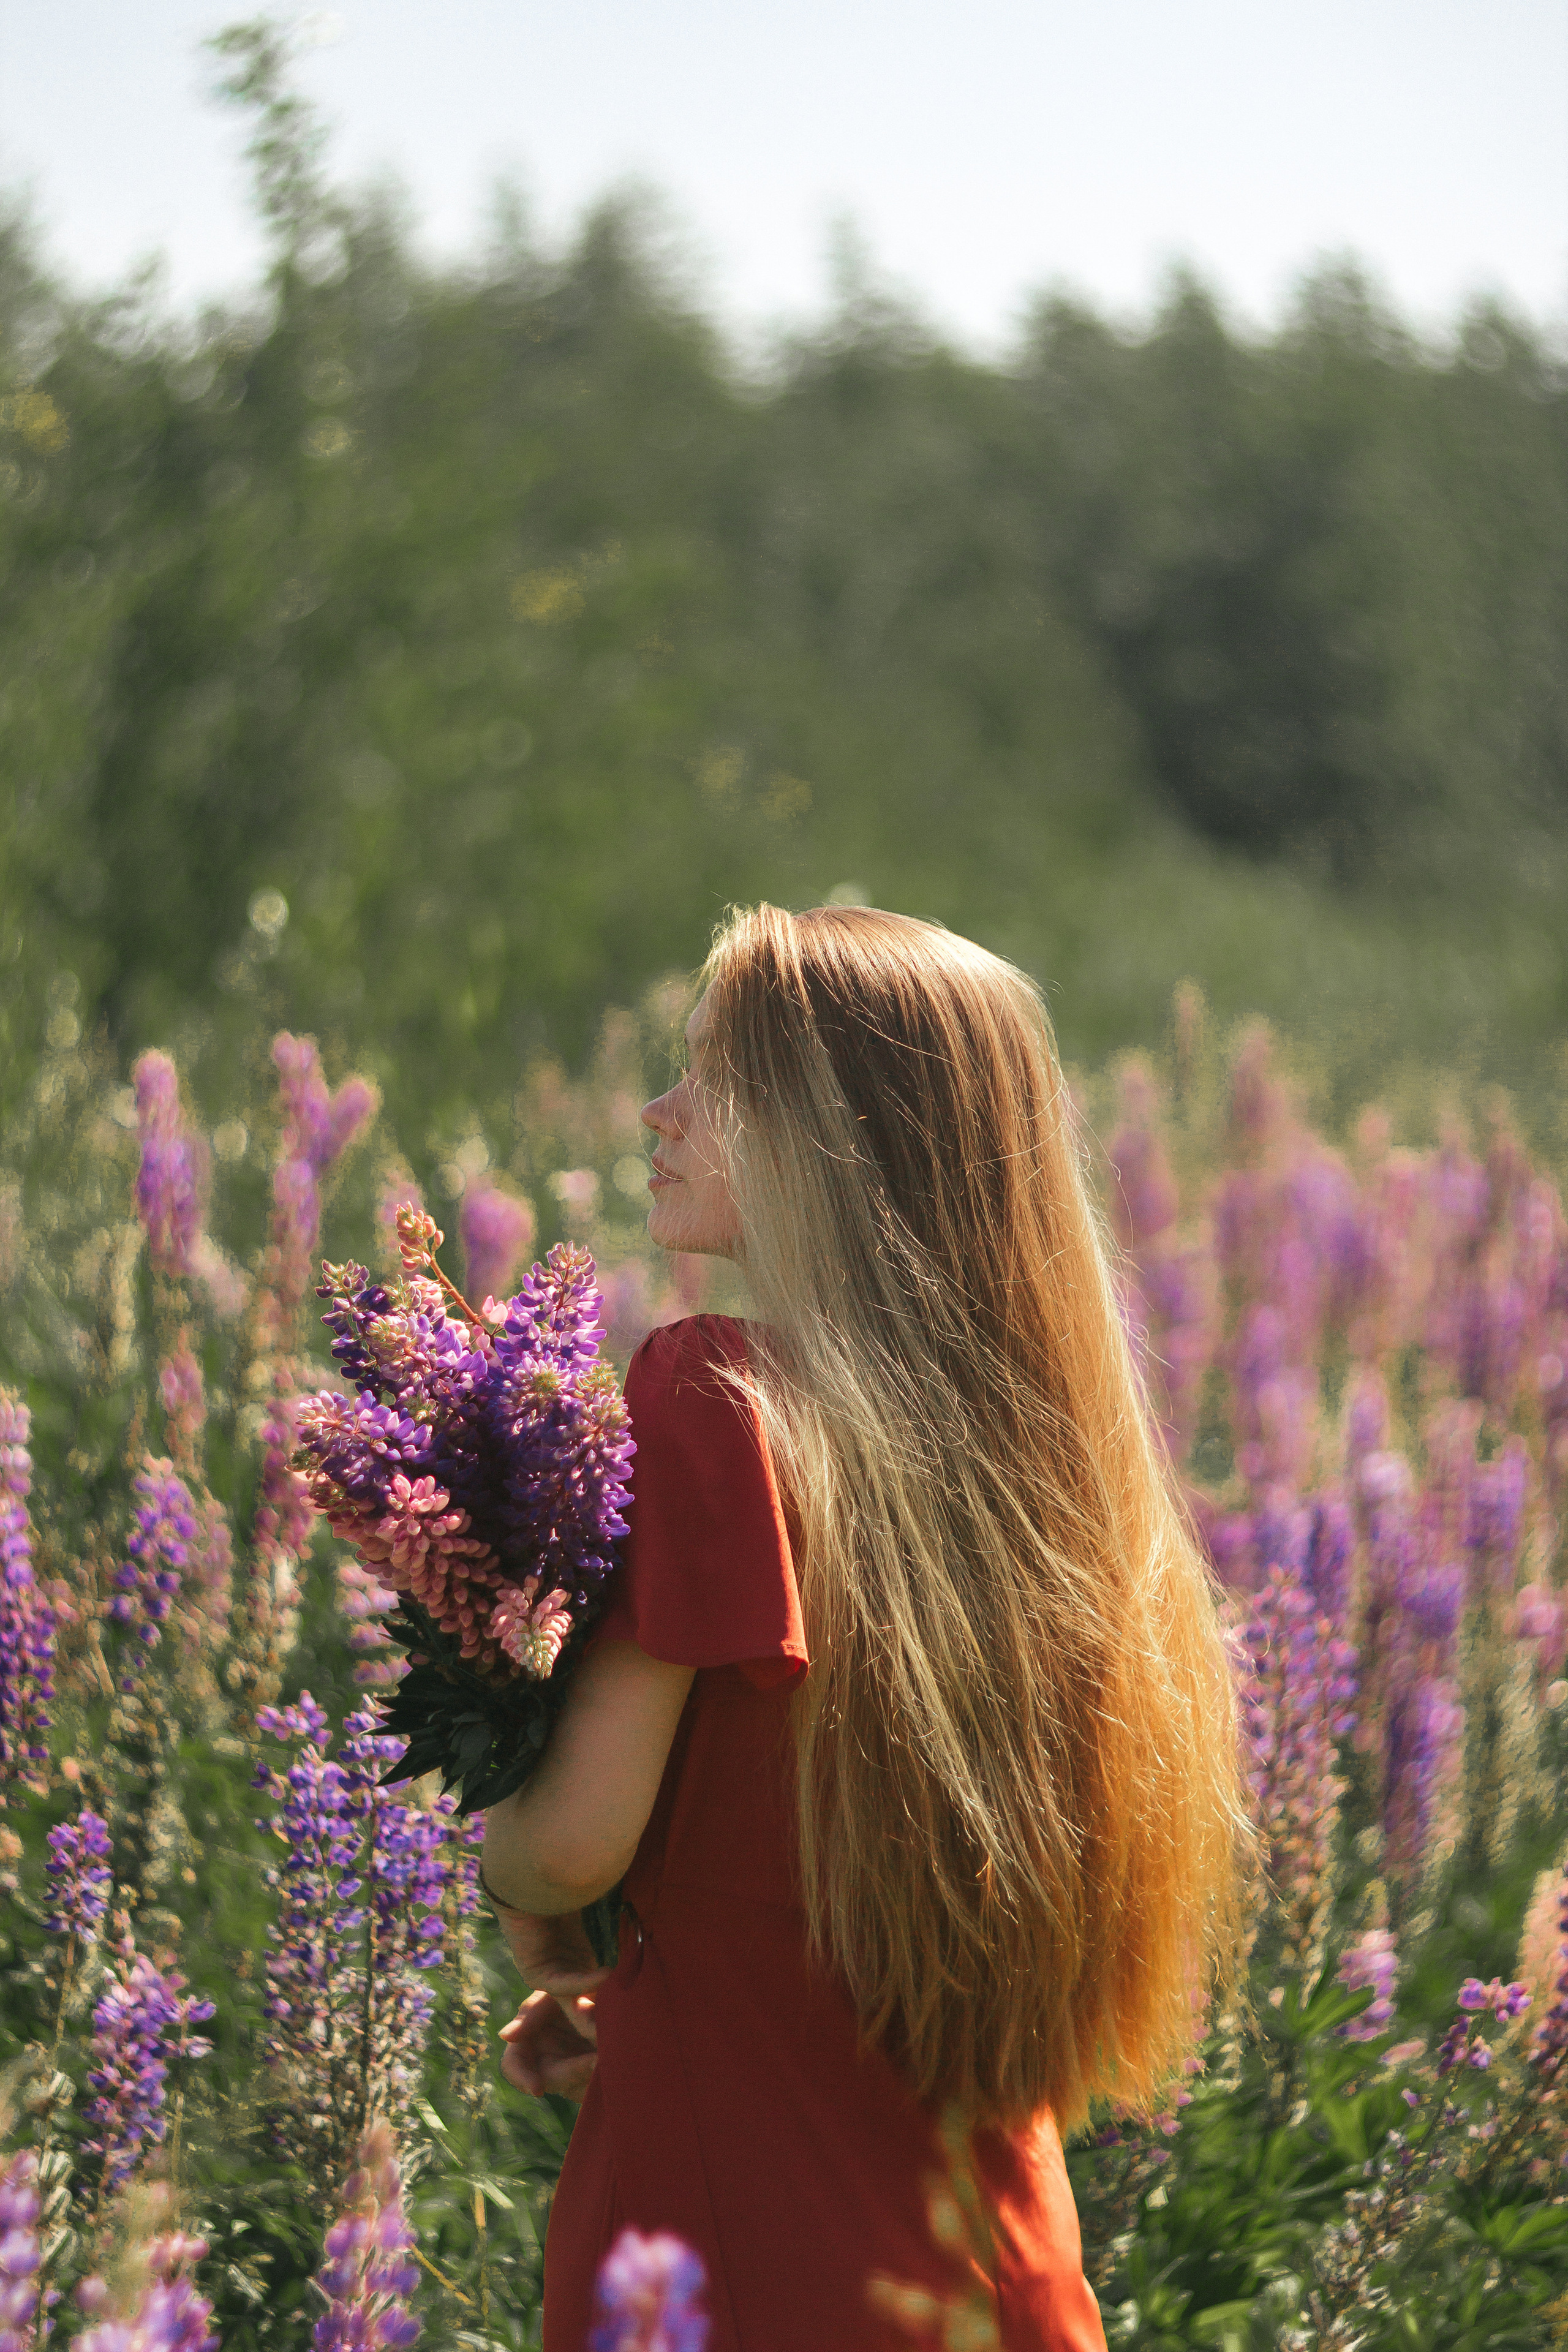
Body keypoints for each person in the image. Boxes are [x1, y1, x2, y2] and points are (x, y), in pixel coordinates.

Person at [480, 904, 1254, 2351]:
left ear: (840, 1133)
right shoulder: (1052, 1474)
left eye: (716, 1075)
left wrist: (511, 1859)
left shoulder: (712, 1401)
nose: (658, 1111)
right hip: (995, 2273)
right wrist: (654, 2007)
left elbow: (570, 1845)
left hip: (742, 2257)